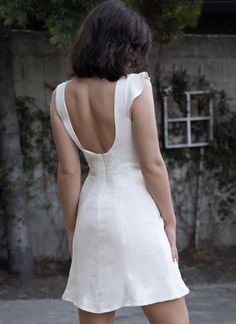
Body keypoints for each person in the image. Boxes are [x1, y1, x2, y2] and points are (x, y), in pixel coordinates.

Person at [50, 0, 190, 323]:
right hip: (137, 213)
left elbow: (68, 172)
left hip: (92, 215)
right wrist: (169, 222)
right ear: (121, 45)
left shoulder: (60, 96)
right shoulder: (135, 87)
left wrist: (72, 229)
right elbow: (152, 164)